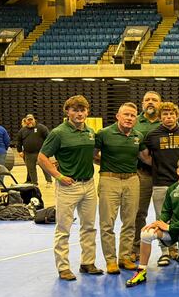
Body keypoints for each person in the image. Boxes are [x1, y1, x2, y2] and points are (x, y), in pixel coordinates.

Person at [37, 95, 102, 281]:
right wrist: (58, 176)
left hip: (89, 184)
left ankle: (87, 263)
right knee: (64, 228)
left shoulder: (90, 132)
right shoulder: (58, 133)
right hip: (68, 186)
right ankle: (63, 267)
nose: (79, 114)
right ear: (67, 112)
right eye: (75, 110)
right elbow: (42, 157)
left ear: (87, 112)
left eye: (82, 110)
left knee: (89, 227)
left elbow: (93, 157)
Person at [127, 155, 179, 287]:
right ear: (177, 171)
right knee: (146, 234)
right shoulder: (172, 189)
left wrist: (170, 227)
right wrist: (158, 222)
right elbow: (166, 211)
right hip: (174, 231)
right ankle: (141, 271)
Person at [94, 102, 145, 275]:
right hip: (109, 180)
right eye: (126, 115)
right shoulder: (104, 134)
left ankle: (125, 257)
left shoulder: (138, 136)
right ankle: (110, 260)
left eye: (133, 115)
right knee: (107, 222)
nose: (129, 118)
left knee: (130, 221)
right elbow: (93, 155)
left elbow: (145, 157)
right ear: (118, 116)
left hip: (132, 179)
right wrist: (109, 164)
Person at [140, 101, 179, 267]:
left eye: (171, 114)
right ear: (160, 117)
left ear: (177, 116)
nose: (169, 117)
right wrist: (157, 166)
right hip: (160, 183)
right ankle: (165, 252)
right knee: (162, 217)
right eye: (165, 115)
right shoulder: (153, 135)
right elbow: (145, 155)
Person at [132, 91, 162, 263]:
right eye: (147, 100)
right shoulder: (135, 121)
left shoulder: (167, 120)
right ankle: (136, 247)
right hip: (141, 174)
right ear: (142, 103)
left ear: (160, 103)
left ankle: (169, 248)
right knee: (138, 212)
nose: (151, 103)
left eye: (154, 100)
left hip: (163, 176)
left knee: (166, 213)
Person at [16, 114, 51, 185]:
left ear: (34, 120)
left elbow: (48, 138)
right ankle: (34, 183)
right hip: (28, 153)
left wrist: (47, 150)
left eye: (31, 119)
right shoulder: (22, 130)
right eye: (28, 120)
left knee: (45, 167)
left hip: (41, 152)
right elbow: (19, 141)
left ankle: (49, 181)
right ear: (25, 120)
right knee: (31, 169)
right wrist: (19, 151)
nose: (30, 121)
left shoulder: (41, 127)